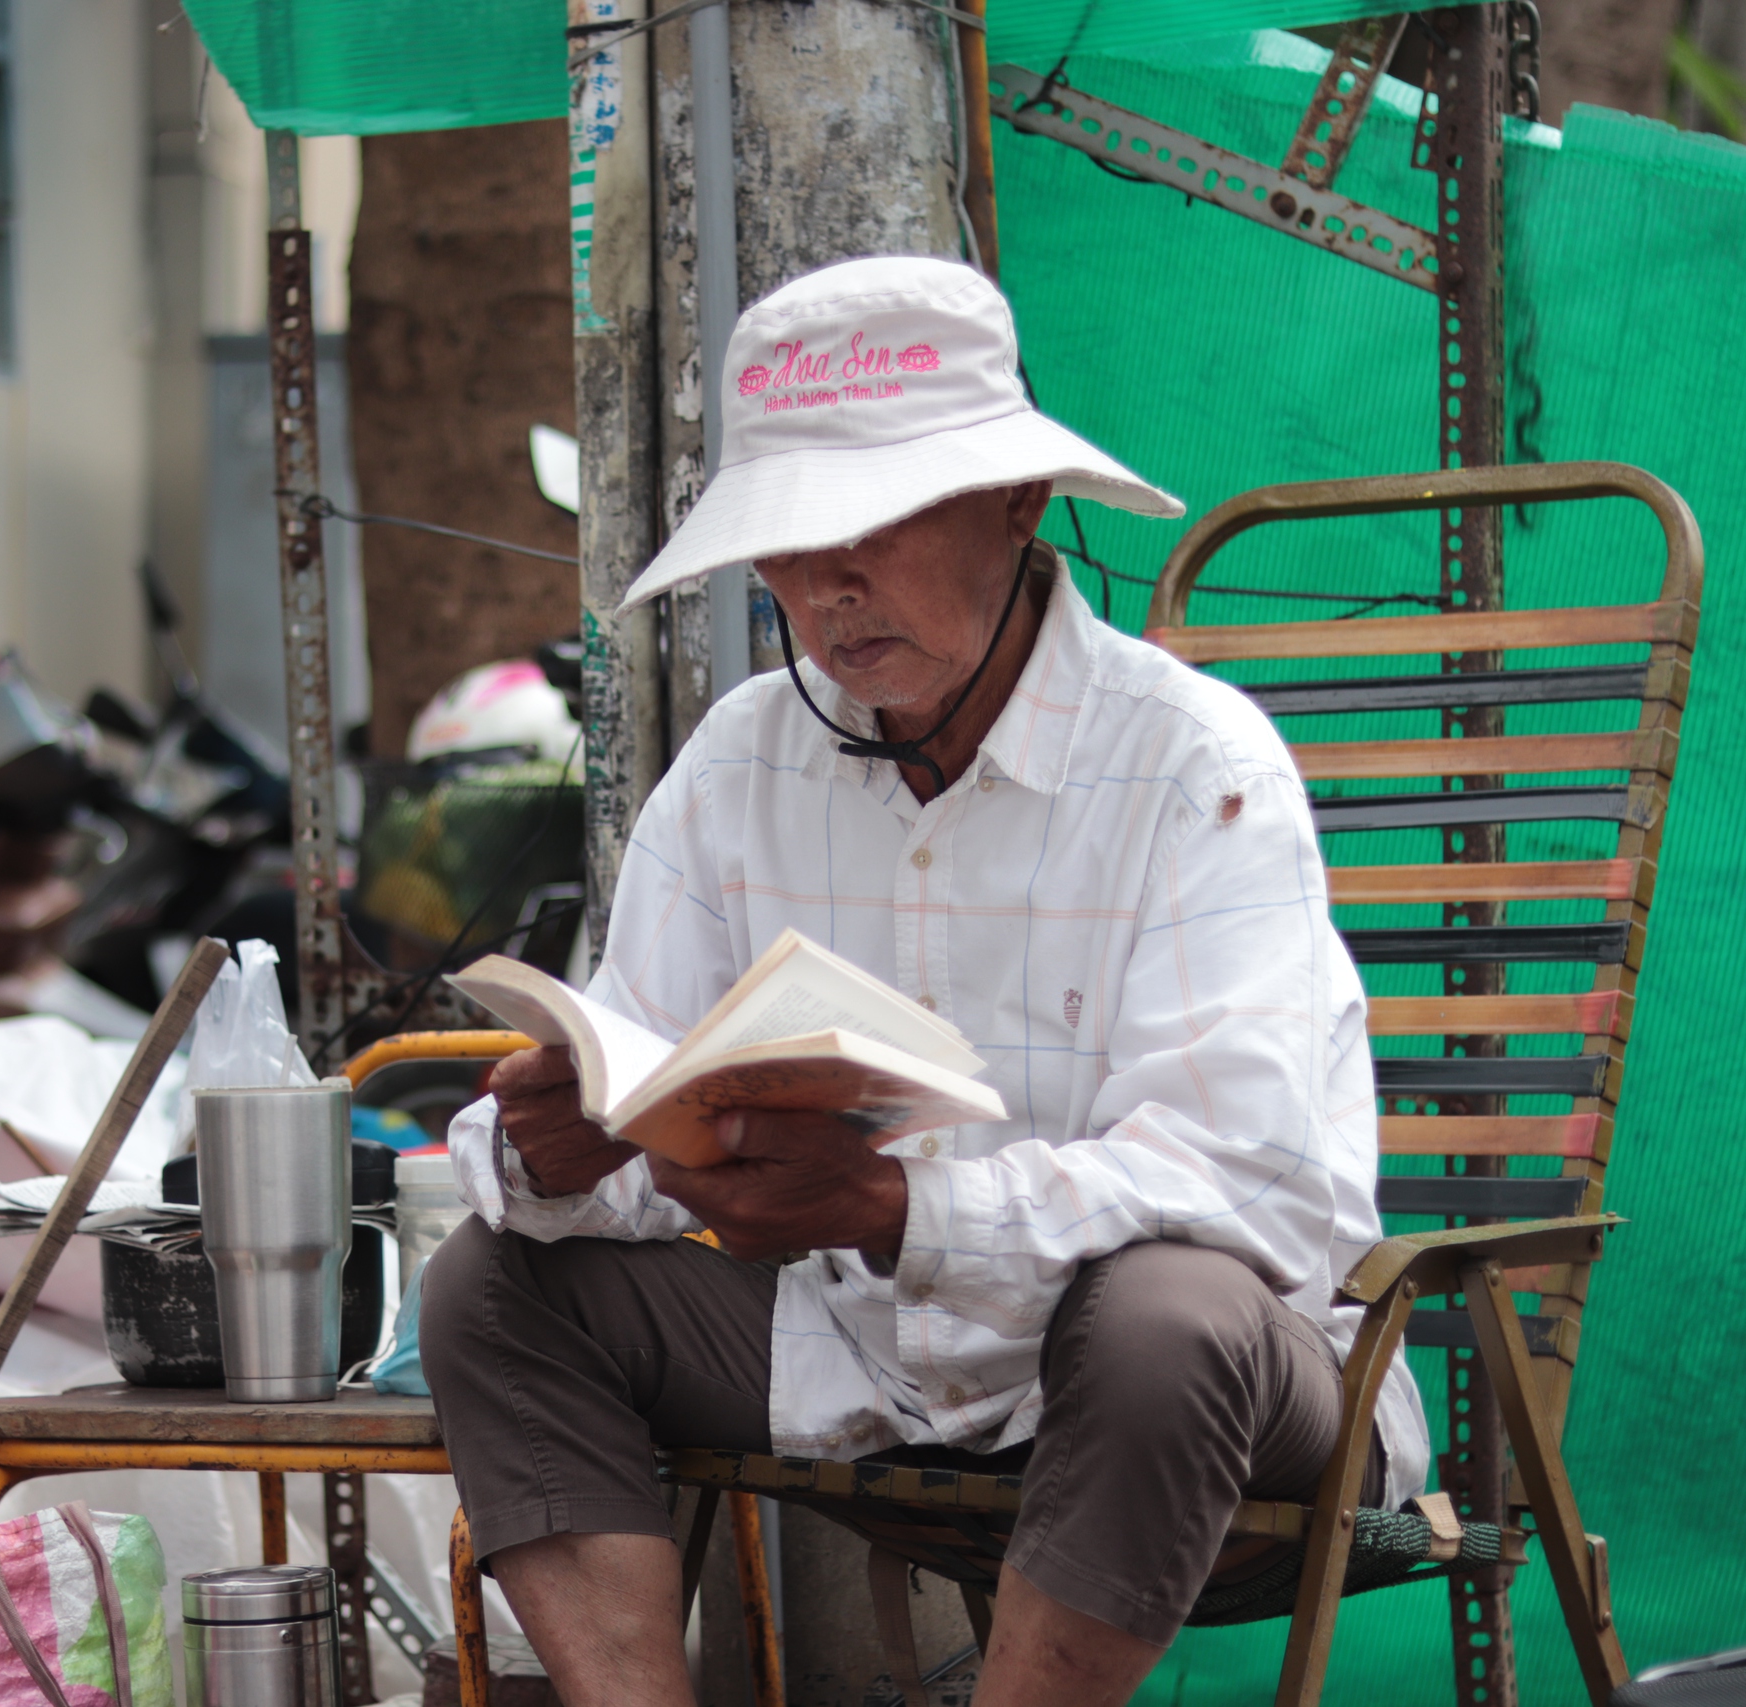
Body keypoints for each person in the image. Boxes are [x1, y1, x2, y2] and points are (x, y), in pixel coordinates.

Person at [417, 255, 1426, 1707]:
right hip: (871, 1367)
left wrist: (897, 1206)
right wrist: (560, 1148)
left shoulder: (1192, 764)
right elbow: (639, 1095)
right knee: (493, 1279)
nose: (830, 587)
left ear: (1019, 506)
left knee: (1163, 1317)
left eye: (878, 524)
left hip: (1211, 1392)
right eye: (788, 541)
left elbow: (1253, 1195)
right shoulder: (742, 766)